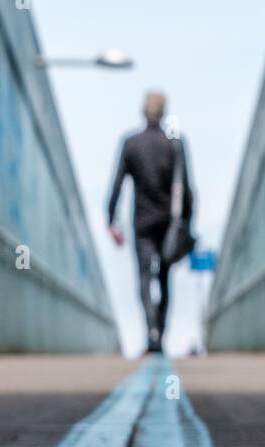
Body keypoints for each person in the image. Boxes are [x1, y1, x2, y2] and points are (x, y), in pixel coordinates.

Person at [107, 91, 194, 354]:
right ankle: (160, 331)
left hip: (142, 222)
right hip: (168, 224)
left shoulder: (131, 143)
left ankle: (151, 331)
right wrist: (186, 228)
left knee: (144, 277)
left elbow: (118, 184)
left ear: (143, 111)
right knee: (165, 277)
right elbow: (187, 189)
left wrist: (112, 220)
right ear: (164, 112)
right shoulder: (175, 143)